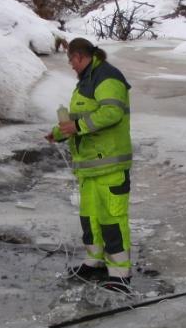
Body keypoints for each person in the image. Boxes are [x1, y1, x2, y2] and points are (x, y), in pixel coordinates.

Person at [46, 38, 132, 291]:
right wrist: (58, 133)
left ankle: (119, 274)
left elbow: (111, 113)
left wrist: (78, 127)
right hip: (90, 167)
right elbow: (77, 118)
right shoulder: (87, 80)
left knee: (112, 219)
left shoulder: (107, 77)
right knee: (90, 218)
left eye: (71, 60)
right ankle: (95, 261)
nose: (71, 65)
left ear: (80, 57)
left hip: (110, 166)